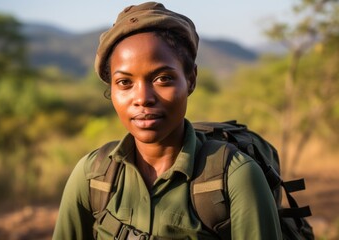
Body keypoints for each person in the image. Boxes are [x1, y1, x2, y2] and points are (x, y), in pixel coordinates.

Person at [53, 2, 282, 239]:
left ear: (191, 79)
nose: (142, 98)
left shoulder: (235, 177)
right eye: (124, 83)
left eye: (163, 78)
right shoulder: (93, 176)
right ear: (111, 90)